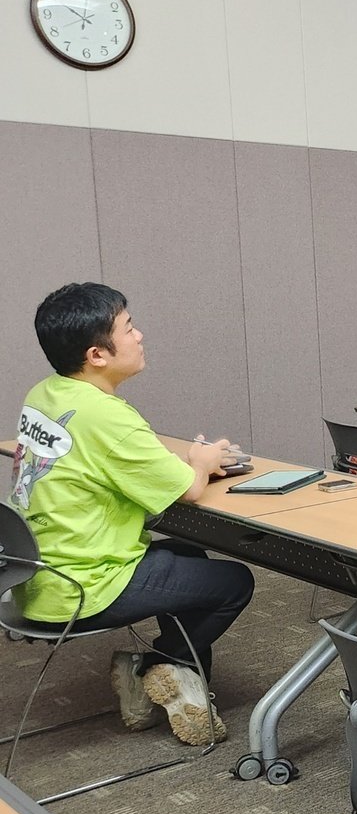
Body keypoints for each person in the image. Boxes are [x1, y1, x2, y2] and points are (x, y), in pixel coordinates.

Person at [9, 283, 254, 745]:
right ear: (97, 355)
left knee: (189, 554)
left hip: (35, 577)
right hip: (85, 585)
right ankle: (155, 667)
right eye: (129, 328)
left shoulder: (47, 392)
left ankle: (184, 687)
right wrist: (202, 461)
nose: (139, 336)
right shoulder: (108, 416)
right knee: (235, 582)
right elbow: (188, 490)